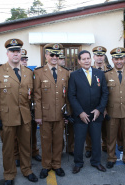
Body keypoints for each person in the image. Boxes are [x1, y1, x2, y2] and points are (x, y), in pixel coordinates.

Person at [0, 39, 38, 185]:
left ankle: (27, 170)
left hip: (25, 116)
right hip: (6, 117)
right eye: (13, 51)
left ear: (21, 53)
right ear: (7, 53)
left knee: (25, 146)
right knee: (8, 149)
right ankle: (9, 175)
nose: (16, 54)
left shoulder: (28, 72)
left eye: (18, 51)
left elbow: (32, 95)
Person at [68, 50, 108, 174]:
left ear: (91, 59)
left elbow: (105, 93)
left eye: (88, 58)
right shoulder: (74, 75)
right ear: (79, 61)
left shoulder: (100, 74)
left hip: (96, 114)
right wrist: (80, 112)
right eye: (83, 59)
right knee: (79, 141)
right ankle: (78, 163)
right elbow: (71, 95)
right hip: (81, 115)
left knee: (96, 140)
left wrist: (100, 109)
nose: (86, 61)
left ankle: (96, 162)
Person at [34, 43, 70, 178]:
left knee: (58, 141)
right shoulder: (38, 72)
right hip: (45, 113)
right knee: (45, 141)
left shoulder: (65, 72)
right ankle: (46, 166)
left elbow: (67, 96)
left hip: (60, 114)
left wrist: (68, 113)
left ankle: (57, 165)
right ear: (46, 56)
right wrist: (38, 115)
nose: (55, 57)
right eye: (52, 55)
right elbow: (36, 96)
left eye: (57, 55)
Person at [14, 49, 42, 167]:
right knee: (16, 135)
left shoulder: (31, 73)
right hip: (16, 108)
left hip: (30, 108)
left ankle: (34, 151)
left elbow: (35, 91)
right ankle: (16, 155)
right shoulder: (13, 72)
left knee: (32, 132)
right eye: (22, 59)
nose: (24, 61)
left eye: (26, 59)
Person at [85, 46, 111, 158]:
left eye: (101, 55)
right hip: (93, 105)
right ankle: (89, 148)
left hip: (107, 105)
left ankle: (105, 145)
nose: (99, 58)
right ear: (94, 57)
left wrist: (105, 108)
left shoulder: (110, 70)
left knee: (106, 128)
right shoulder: (88, 70)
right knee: (90, 129)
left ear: (104, 56)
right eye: (97, 55)